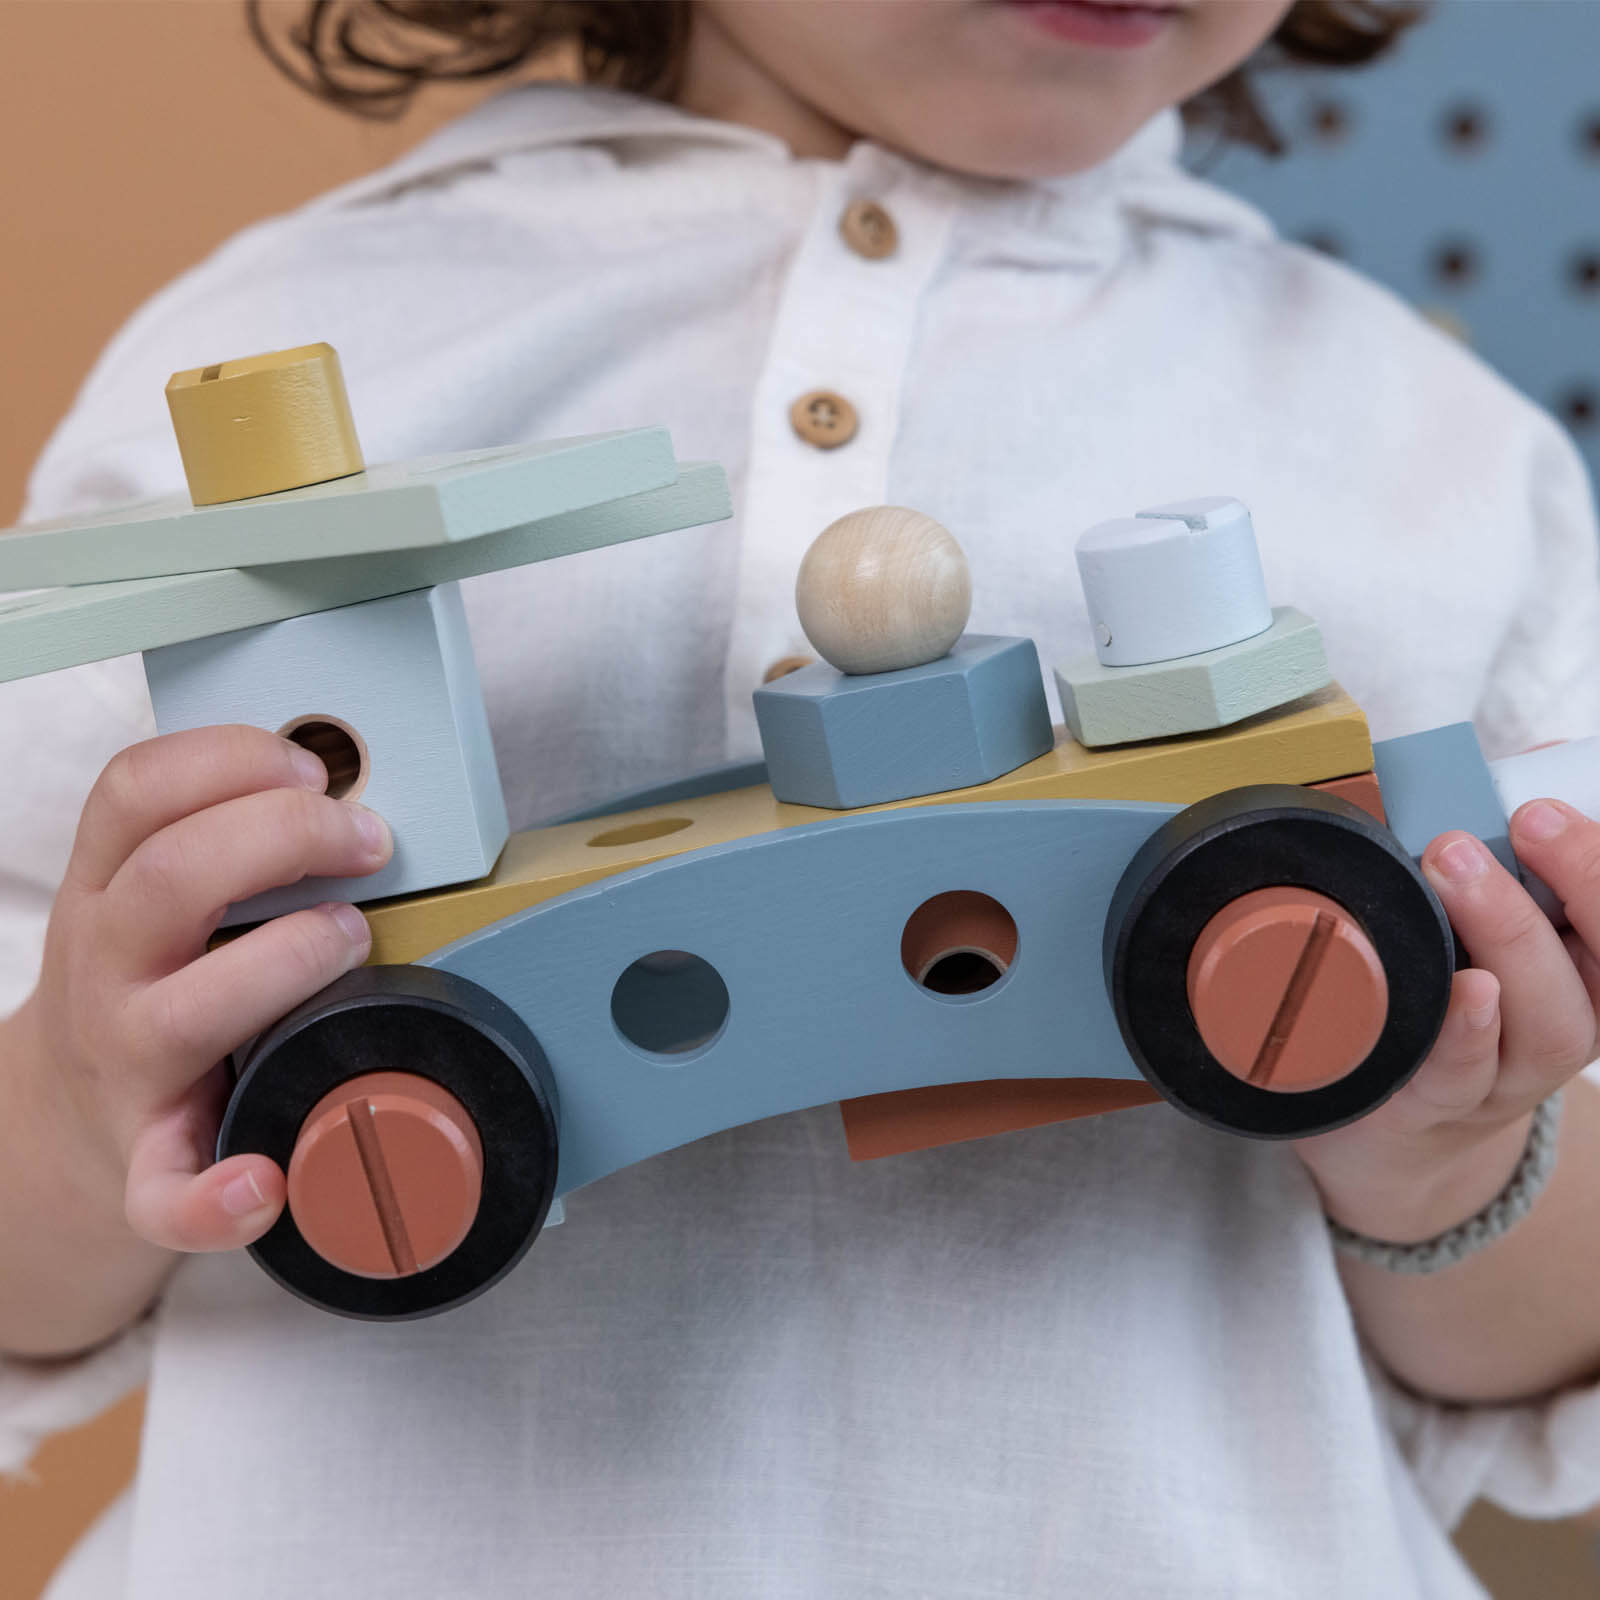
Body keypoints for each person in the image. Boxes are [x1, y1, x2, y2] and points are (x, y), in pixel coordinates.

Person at [4, 2, 1600, 1594]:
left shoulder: (1439, 463)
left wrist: (1445, 1166)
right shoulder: (272, 354)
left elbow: (1542, 1351)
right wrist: (84, 1120)